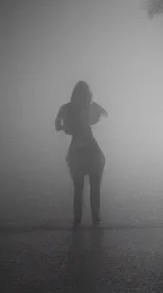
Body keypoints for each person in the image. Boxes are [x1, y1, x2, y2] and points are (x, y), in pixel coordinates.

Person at [55, 81, 108, 227]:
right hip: (91, 149)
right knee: (94, 185)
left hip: (77, 150)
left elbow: (58, 127)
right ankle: (95, 218)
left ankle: (77, 220)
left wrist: (67, 124)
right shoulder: (90, 107)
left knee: (78, 188)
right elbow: (103, 116)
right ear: (87, 95)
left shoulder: (66, 108)